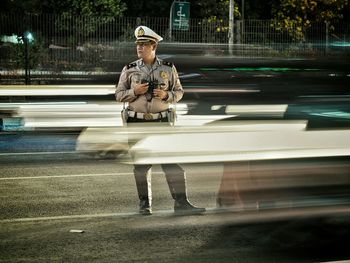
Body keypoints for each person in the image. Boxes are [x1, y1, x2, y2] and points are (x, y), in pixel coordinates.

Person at [115, 25, 206, 216]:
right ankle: (144, 205)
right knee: (141, 166)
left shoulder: (168, 68)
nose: (139, 48)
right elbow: (118, 95)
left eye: (144, 44)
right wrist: (134, 92)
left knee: (172, 163)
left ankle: (181, 203)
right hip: (136, 122)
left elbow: (179, 92)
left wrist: (166, 95)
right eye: (138, 44)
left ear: (153, 45)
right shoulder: (129, 69)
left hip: (161, 122)